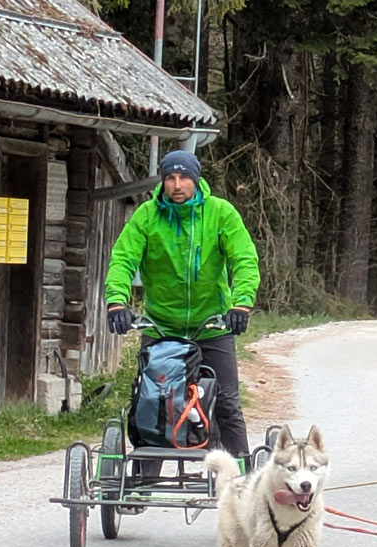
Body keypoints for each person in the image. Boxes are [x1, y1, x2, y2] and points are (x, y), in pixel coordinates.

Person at [104, 148, 260, 463]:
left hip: (212, 325)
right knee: (153, 400)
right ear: (162, 182)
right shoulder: (147, 215)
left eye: (184, 177)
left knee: (228, 403)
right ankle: (142, 482)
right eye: (170, 178)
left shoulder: (221, 213)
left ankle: (244, 476)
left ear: (196, 179)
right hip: (163, 327)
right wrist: (116, 301)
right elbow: (123, 259)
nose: (177, 185)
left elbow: (244, 259)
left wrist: (241, 303)